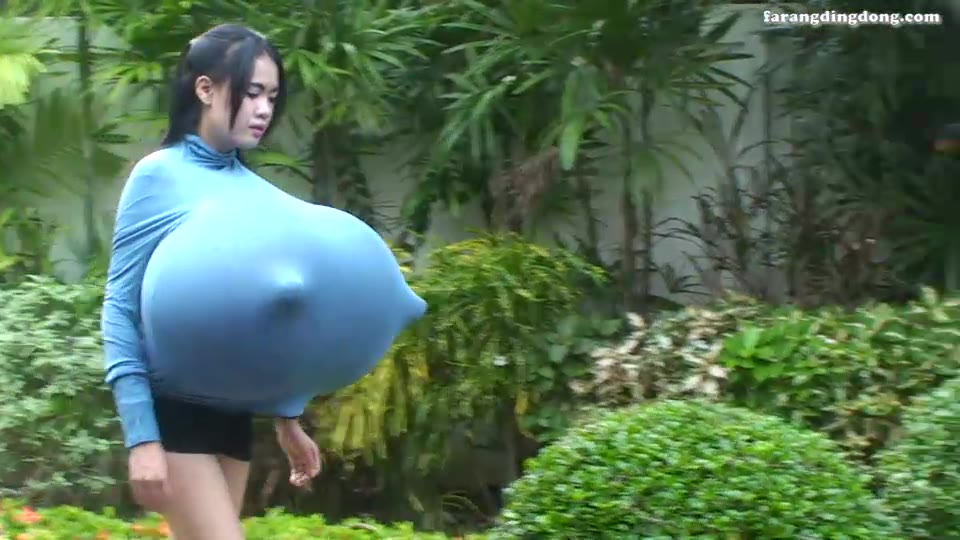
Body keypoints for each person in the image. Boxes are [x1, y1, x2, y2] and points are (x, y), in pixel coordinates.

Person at [101, 24, 321, 539]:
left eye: (272, 97)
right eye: (251, 93)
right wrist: (142, 438)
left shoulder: (256, 192)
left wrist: (287, 418)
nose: (263, 110)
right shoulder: (158, 176)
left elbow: (267, 315)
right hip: (174, 409)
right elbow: (120, 307)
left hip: (234, 413)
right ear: (204, 89)